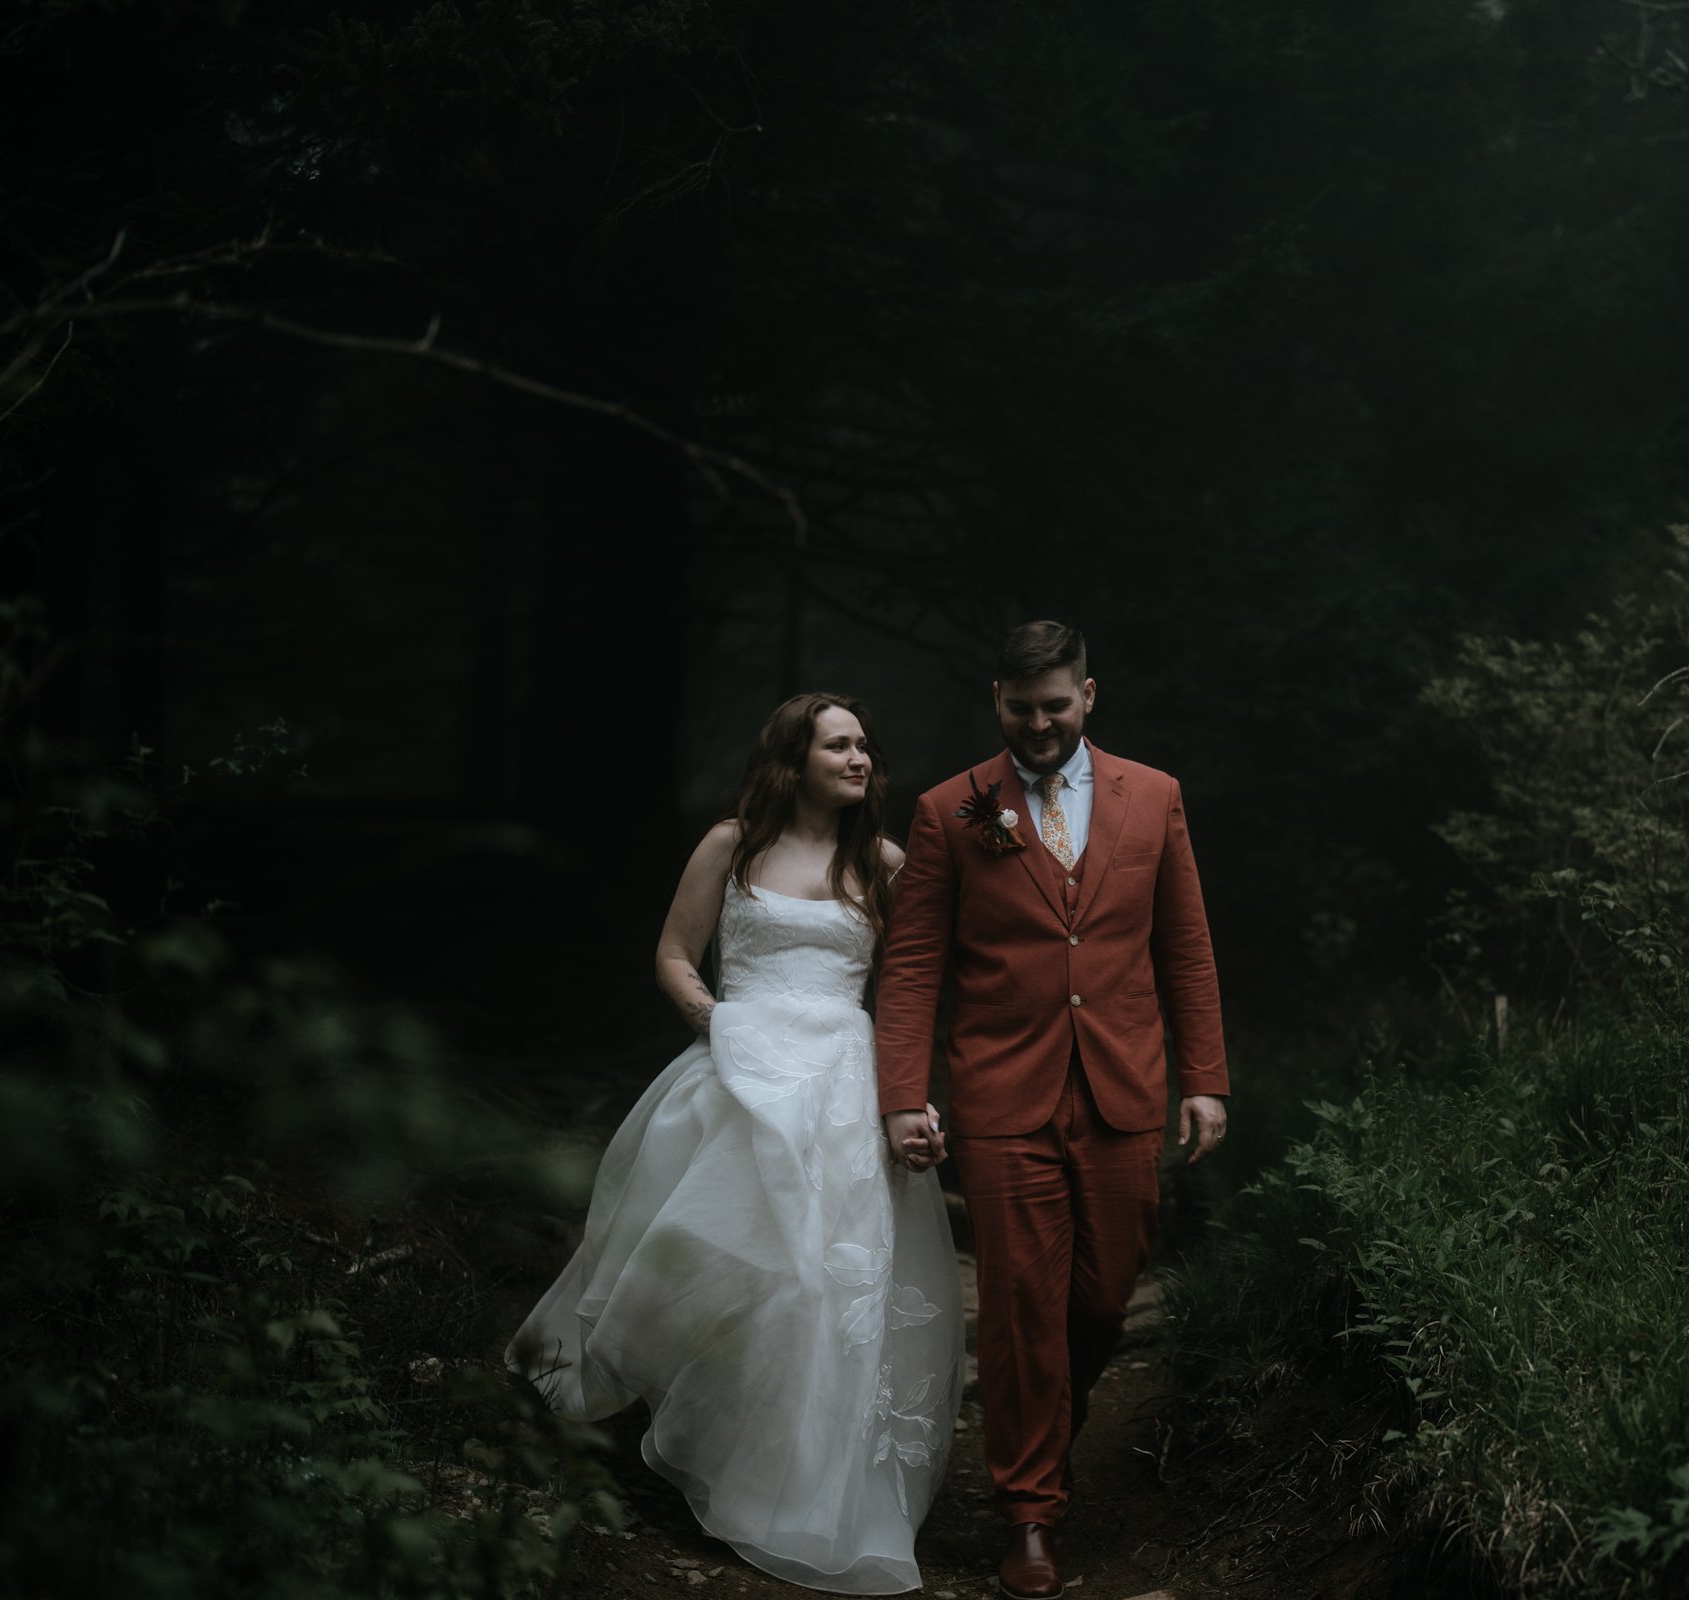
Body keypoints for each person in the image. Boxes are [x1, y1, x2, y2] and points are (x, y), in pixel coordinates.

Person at [509, 693, 964, 1596]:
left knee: (816, 1280)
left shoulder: (885, 864)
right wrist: (719, 1025)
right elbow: (676, 952)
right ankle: (673, 1440)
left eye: (866, 744)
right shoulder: (732, 846)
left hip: (840, 1087)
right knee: (717, 1256)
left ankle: (783, 1484)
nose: (861, 757)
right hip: (736, 1078)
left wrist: (914, 1095)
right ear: (793, 761)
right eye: (840, 744)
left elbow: (921, 983)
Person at [876, 621, 1230, 1600]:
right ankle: (1028, 1509)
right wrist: (904, 1096)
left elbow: (1185, 945)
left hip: (1123, 1084)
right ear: (999, 700)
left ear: (1088, 696)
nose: (1039, 723)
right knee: (1024, 1299)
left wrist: (1204, 1077)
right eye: (1022, 707)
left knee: (1103, 1295)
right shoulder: (956, 809)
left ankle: (1047, 1421)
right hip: (1000, 1091)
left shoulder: (1152, 797)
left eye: (1057, 705)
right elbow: (912, 968)